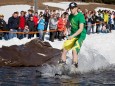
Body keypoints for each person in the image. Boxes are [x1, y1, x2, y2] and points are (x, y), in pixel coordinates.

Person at [59, 2, 86, 68]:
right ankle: (62, 67)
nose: (71, 10)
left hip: (80, 35)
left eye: (73, 8)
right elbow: (68, 23)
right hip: (73, 34)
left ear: (76, 8)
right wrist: (65, 30)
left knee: (74, 50)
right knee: (64, 49)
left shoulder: (80, 16)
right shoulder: (70, 16)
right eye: (70, 8)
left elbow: (81, 29)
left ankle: (74, 68)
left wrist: (72, 36)